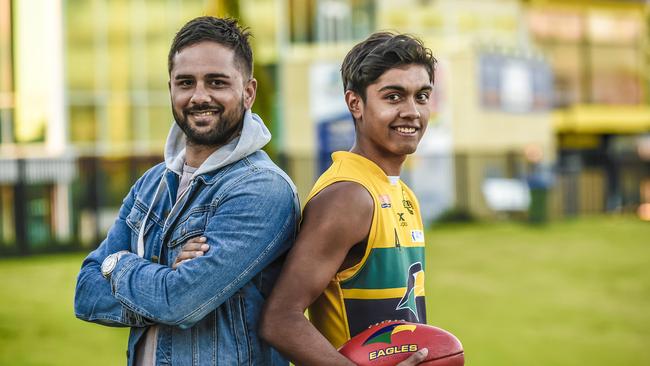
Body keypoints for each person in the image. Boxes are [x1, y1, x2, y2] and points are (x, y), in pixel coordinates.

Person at [74, 16, 299, 366]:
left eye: (217, 82)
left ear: (248, 91)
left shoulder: (263, 189)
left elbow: (181, 303)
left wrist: (118, 263)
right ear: (171, 90)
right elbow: (85, 292)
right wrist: (164, 273)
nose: (199, 96)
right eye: (185, 82)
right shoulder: (151, 184)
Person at [260, 32, 437, 365]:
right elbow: (280, 319)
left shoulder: (402, 193)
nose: (412, 111)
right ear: (355, 103)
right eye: (394, 97)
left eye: (422, 96)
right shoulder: (348, 196)